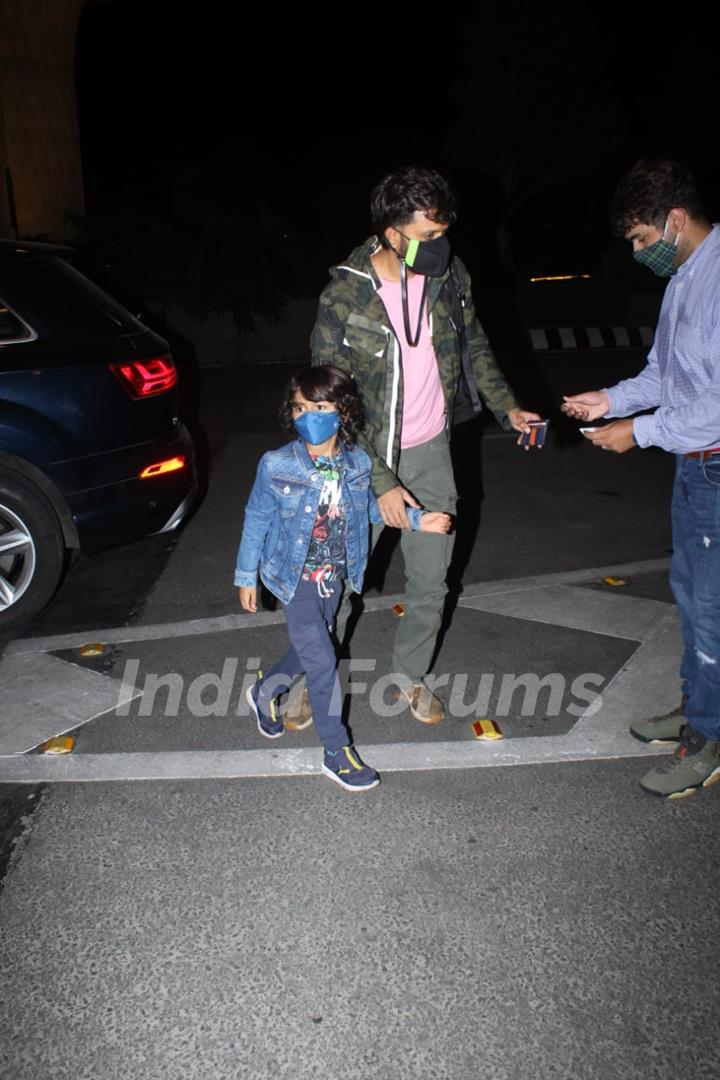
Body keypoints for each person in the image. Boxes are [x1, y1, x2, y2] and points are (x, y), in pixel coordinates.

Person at [310, 166, 539, 724]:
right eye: (427, 236)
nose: (440, 246)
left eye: (443, 232)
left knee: (431, 580)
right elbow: (325, 404)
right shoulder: (345, 294)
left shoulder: (449, 276)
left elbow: (476, 345)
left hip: (431, 449)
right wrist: (382, 484)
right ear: (391, 232)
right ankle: (312, 678)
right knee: (339, 581)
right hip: (363, 457)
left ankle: (410, 677)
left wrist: (507, 405)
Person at [562, 159, 720, 800]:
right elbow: (664, 375)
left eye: (640, 239)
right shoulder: (683, 279)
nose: (636, 253)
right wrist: (610, 400)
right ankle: (699, 711)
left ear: (674, 220)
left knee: (710, 612)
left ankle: (708, 740)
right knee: (692, 599)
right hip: (696, 469)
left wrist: (642, 432)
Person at [234, 364, 451, 792]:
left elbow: (369, 512)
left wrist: (417, 520)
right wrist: (246, 575)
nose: (308, 416)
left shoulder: (355, 464)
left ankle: (265, 690)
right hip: (293, 578)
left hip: (333, 578)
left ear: (342, 411)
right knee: (323, 661)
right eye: (299, 407)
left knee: (312, 649)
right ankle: (336, 750)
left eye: (319, 406)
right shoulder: (277, 464)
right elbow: (256, 516)